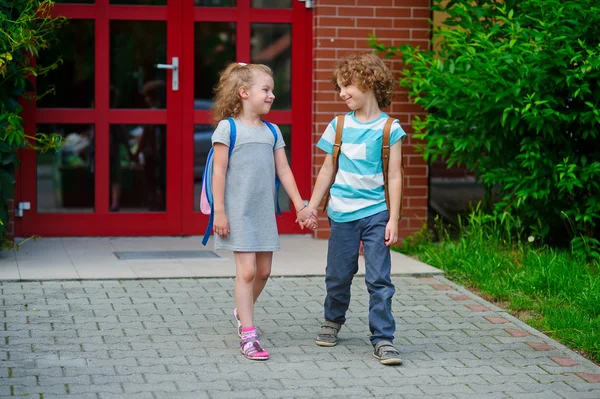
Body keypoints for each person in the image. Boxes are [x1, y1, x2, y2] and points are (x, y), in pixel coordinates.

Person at [302, 53, 406, 365]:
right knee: (337, 275)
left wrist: (394, 219)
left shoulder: (390, 128)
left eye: (347, 86)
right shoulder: (339, 125)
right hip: (342, 213)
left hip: (376, 213)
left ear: (369, 83)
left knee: (379, 279)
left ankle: (383, 338)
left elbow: (396, 175)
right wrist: (311, 205)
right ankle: (333, 320)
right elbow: (326, 170)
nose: (342, 93)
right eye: (339, 87)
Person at [210, 62, 314, 361]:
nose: (271, 95)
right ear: (244, 92)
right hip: (237, 213)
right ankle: (248, 334)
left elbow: (284, 170)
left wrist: (300, 204)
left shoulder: (272, 130)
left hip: (264, 213)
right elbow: (219, 172)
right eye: (265, 90)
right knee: (247, 271)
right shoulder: (227, 128)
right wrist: (220, 212)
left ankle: (242, 311)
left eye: (272, 90)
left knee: (264, 272)